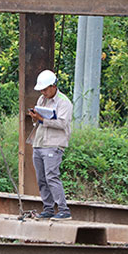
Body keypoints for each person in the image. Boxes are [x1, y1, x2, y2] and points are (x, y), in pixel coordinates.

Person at [27, 70, 73, 220]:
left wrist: (42, 119)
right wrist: (36, 117)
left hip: (54, 144)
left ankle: (63, 210)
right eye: (41, 89)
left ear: (54, 86)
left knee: (52, 176)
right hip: (39, 142)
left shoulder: (63, 102)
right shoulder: (42, 100)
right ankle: (48, 208)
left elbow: (62, 123)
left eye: (45, 89)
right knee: (41, 178)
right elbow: (38, 121)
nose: (43, 92)